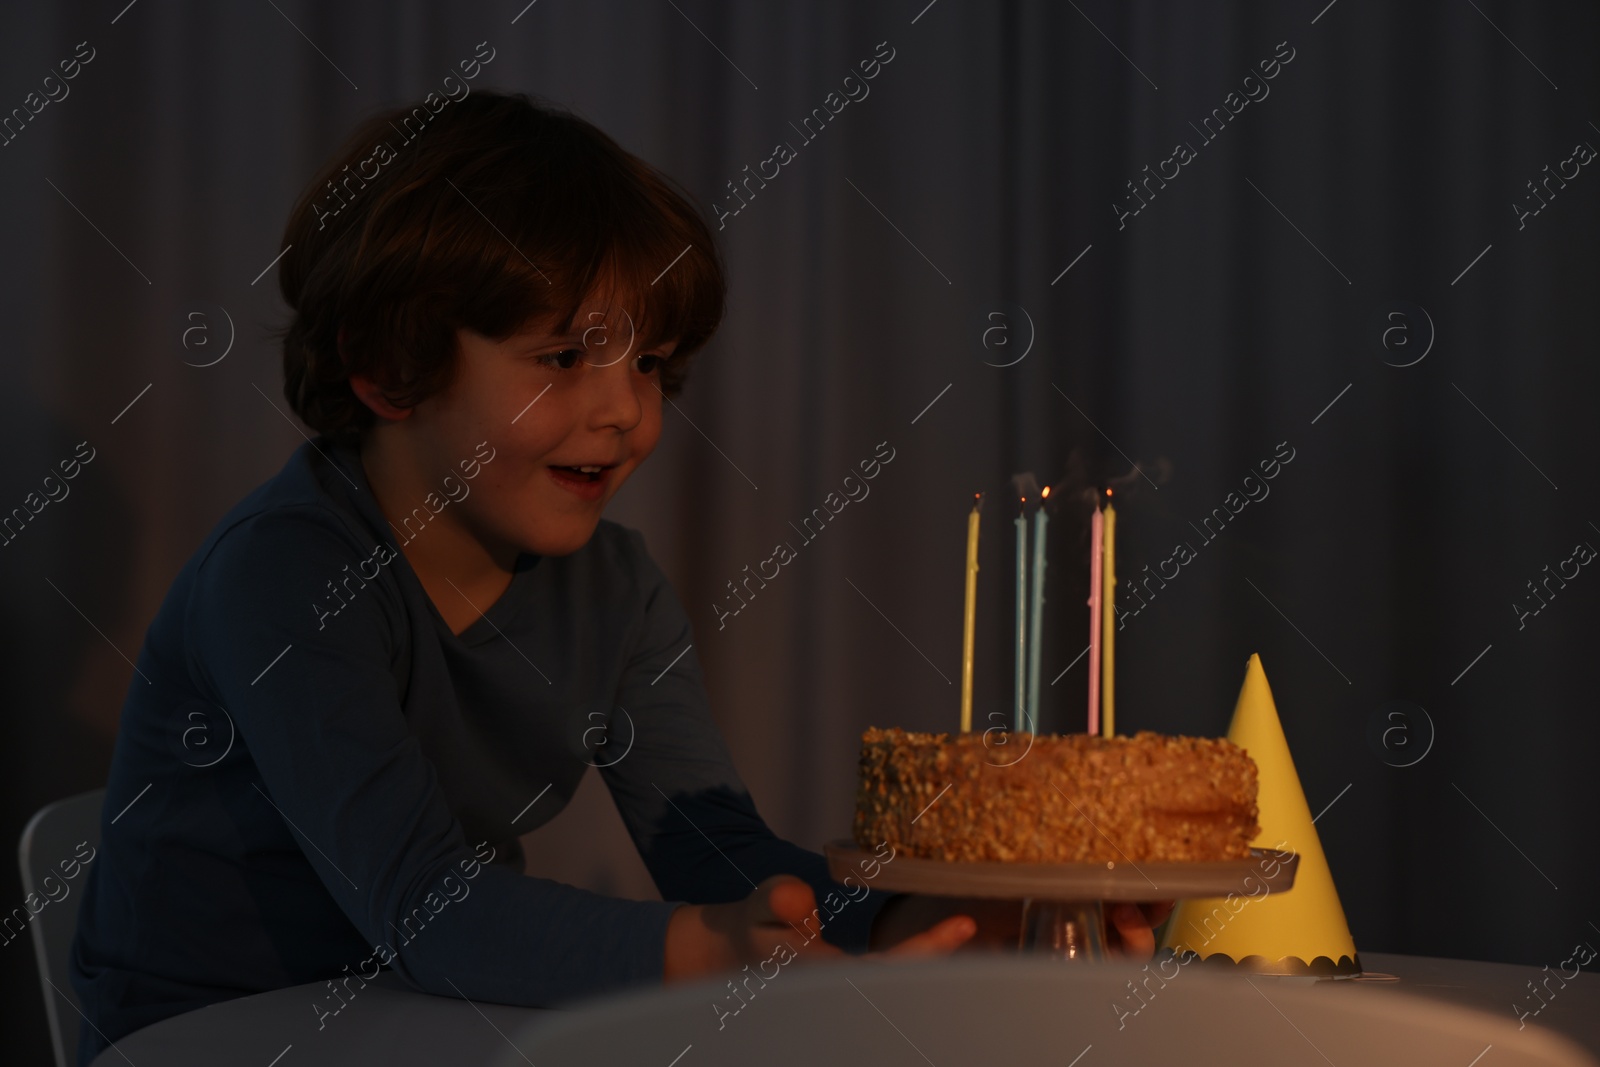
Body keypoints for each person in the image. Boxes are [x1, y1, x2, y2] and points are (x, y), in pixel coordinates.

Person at [68, 89, 1163, 1064]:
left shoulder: (613, 586)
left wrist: (950, 913)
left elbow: (717, 854)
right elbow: (428, 911)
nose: (624, 411)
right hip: (204, 1026)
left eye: (647, 363)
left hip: (424, 1001)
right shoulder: (284, 570)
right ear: (391, 365)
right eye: (562, 359)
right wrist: (719, 949)